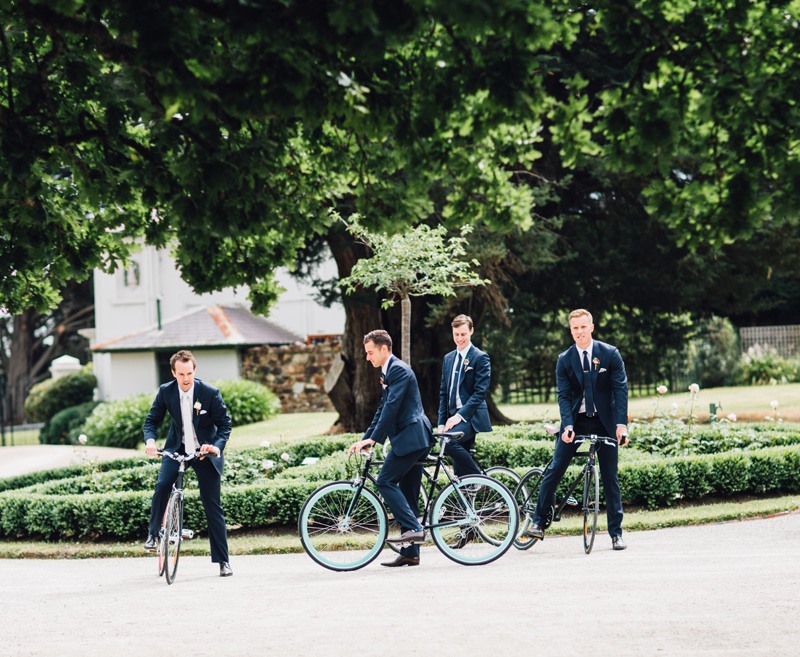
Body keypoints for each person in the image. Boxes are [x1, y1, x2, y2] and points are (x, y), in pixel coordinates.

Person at [528, 309, 629, 550]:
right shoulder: (565, 359)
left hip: (604, 422)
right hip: (576, 420)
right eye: (575, 328)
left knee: (610, 477)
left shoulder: (610, 354)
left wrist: (621, 425)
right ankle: (539, 522)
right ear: (571, 330)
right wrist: (568, 424)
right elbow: (563, 395)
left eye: (583, 327)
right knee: (556, 467)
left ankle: (616, 533)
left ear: (591, 327)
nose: (580, 332)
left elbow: (620, 390)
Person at [143, 350, 234, 576]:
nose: (186, 378)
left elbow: (225, 425)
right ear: (173, 373)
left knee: (212, 504)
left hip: (205, 452)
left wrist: (215, 447)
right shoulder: (166, 392)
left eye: (189, 373)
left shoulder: (209, 393)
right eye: (181, 374)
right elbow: (152, 421)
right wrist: (151, 442)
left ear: (195, 371)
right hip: (177, 448)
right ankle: (153, 535)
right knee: (163, 485)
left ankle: (223, 561)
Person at [348, 330, 434, 567]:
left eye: (370, 352)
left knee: (385, 481)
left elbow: (392, 409)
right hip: (411, 439)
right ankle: (411, 553)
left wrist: (374, 440)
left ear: (384, 349)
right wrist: (365, 439)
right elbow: (381, 410)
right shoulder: (389, 371)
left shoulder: (398, 370)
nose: (368, 358)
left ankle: (415, 529)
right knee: (409, 496)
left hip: (412, 439)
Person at [437, 314, 492, 477]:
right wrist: (441, 423)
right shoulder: (448, 358)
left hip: (471, 417)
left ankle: (482, 481)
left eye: (463, 334)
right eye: (456, 334)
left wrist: (459, 417)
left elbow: (480, 393)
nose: (459, 338)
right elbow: (444, 393)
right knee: (460, 471)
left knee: (447, 443)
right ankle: (467, 496)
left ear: (471, 331)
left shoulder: (480, 357)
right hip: (453, 418)